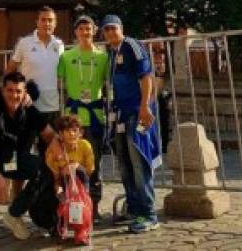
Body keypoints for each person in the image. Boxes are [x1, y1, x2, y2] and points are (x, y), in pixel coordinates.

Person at [0, 71, 60, 244]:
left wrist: (57, 150)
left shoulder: (29, 109)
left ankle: (13, 214)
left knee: (45, 169)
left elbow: (51, 135)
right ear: (2, 90)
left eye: (18, 91)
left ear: (24, 94)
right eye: (10, 90)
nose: (14, 95)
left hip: (12, 160)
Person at [102, 14, 161, 234]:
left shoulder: (132, 46)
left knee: (139, 163)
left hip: (136, 112)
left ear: (121, 28)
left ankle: (149, 213)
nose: (109, 32)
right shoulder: (111, 52)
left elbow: (146, 77)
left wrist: (145, 106)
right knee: (125, 165)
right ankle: (134, 209)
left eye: (113, 28)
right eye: (106, 29)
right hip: (119, 114)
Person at [56, 14, 108, 220]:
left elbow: (109, 86)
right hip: (73, 119)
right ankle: (71, 205)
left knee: (93, 165)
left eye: (89, 29)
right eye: (81, 29)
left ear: (94, 31)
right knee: (70, 164)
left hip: (94, 117)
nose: (85, 32)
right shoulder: (66, 56)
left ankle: (93, 208)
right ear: (75, 32)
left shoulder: (103, 57)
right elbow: (57, 84)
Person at [7, 5, 64, 125]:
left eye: (50, 20)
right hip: (29, 104)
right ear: (37, 22)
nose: (46, 23)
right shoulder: (24, 42)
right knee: (28, 143)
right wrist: (14, 93)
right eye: (43, 20)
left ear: (55, 24)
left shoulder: (59, 45)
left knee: (50, 143)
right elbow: (11, 68)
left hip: (52, 106)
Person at [46, 114, 94, 246]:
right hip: (63, 183)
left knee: (81, 205)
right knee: (61, 204)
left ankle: (81, 231)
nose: (71, 134)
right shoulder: (56, 149)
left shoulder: (85, 145)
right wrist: (62, 173)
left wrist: (76, 166)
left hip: (81, 183)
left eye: (74, 130)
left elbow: (90, 169)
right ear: (60, 134)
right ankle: (61, 227)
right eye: (67, 131)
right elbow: (52, 168)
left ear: (80, 132)